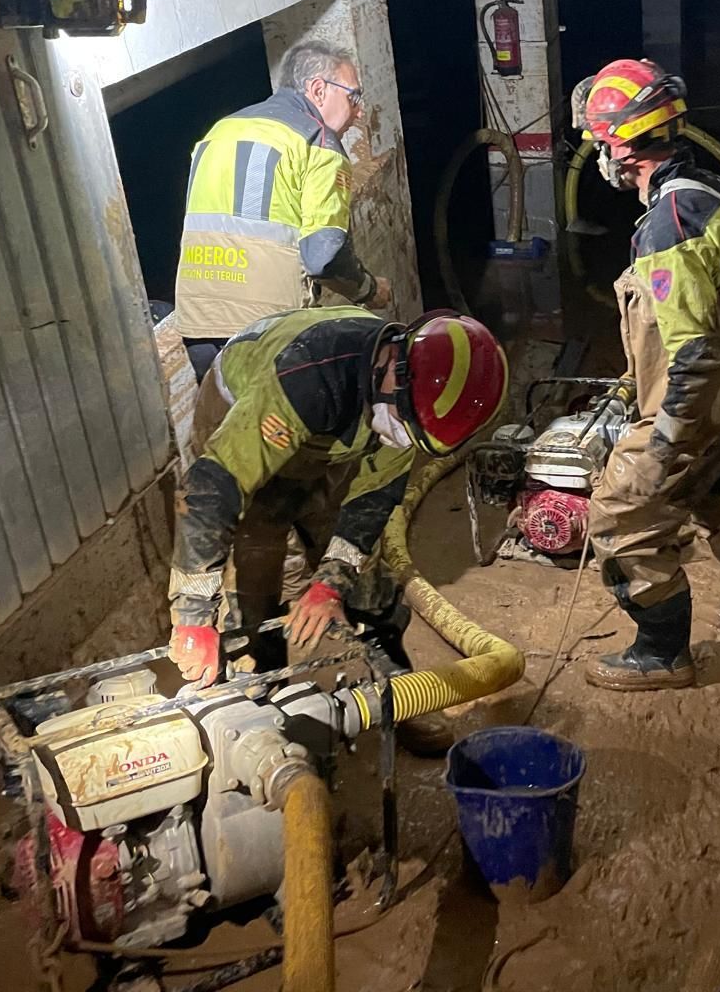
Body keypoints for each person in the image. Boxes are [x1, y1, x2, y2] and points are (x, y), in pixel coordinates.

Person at [166, 304, 508, 751]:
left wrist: (331, 583)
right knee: (259, 550)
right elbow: (211, 491)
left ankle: (397, 690)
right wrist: (192, 617)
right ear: (395, 363)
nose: (402, 437)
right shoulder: (309, 377)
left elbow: (372, 501)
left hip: (334, 430)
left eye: (414, 434)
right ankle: (260, 697)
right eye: (403, 423)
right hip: (251, 408)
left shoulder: (409, 410)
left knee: (364, 567)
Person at [573, 58, 720, 691]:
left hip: (701, 410)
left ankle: (662, 653)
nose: (598, 155)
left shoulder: (666, 229)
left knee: (620, 518)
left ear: (620, 145)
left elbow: (693, 353)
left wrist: (662, 444)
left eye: (599, 143)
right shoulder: (709, 190)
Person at [175, 40, 393, 379]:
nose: (359, 111)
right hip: (268, 328)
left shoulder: (220, 130)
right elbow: (324, 256)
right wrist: (368, 290)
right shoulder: (317, 141)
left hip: (198, 322)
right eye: (353, 97)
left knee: (230, 428)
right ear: (318, 89)